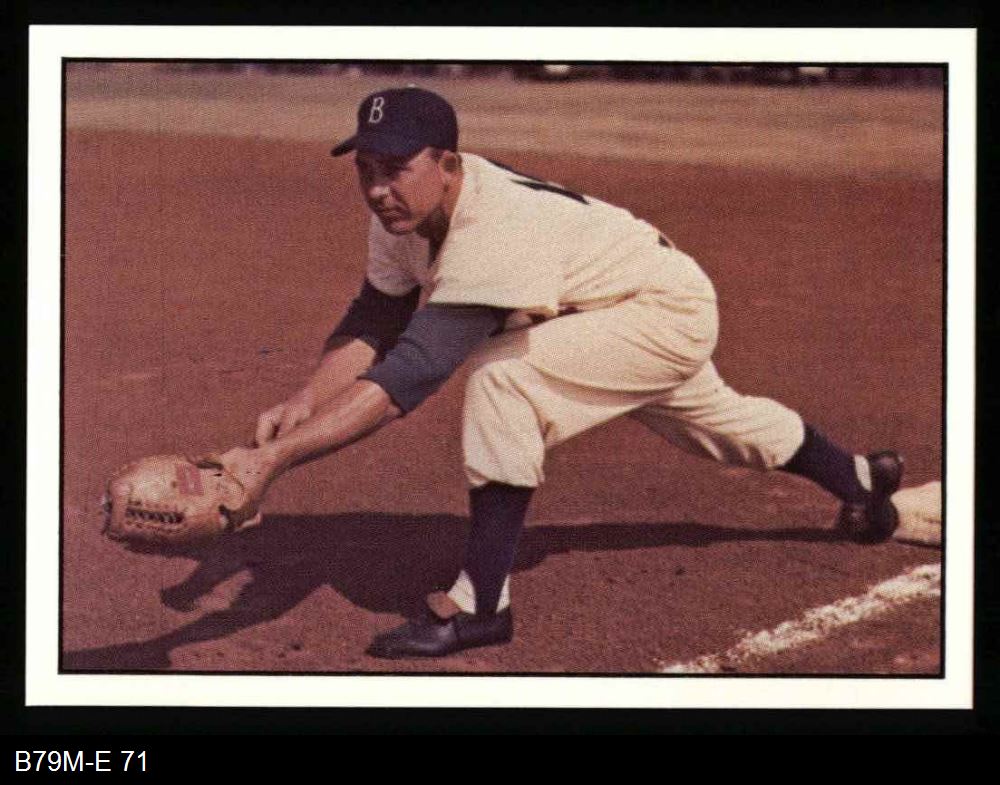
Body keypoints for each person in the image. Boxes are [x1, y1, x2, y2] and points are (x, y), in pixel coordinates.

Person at [220, 86, 903, 659]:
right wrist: (305, 400)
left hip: (658, 308)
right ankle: (863, 480)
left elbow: (415, 369)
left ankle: (481, 604)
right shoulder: (403, 214)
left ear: (448, 164)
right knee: (723, 427)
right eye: (365, 168)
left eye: (395, 168)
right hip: (606, 306)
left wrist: (275, 459)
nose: (377, 188)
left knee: (503, 381)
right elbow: (375, 320)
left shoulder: (494, 226)